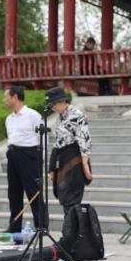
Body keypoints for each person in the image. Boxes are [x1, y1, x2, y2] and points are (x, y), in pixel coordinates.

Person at [47, 87, 92, 216]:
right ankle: (70, 232)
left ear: (62, 101)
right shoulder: (60, 117)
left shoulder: (76, 114)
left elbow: (84, 139)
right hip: (63, 158)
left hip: (75, 158)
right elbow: (57, 143)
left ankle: (72, 233)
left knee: (71, 198)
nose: (52, 108)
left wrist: (85, 163)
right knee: (64, 195)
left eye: (53, 104)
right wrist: (51, 168)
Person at [3, 86, 42, 233]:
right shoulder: (9, 119)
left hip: (29, 154)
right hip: (12, 155)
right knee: (13, 193)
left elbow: (41, 138)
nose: (4, 100)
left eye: (6, 97)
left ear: (15, 97)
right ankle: (14, 227)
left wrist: (40, 157)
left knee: (34, 191)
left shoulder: (33, 115)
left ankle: (41, 226)